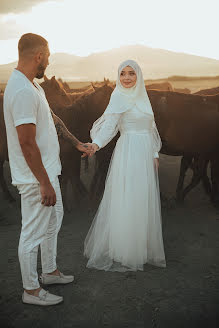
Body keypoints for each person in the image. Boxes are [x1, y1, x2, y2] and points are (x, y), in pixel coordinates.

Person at [3, 33, 93, 306]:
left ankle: (50, 272)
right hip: (35, 178)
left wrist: (76, 143)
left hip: (48, 172)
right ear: (38, 56)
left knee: (53, 220)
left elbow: (52, 119)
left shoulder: (34, 87)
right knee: (31, 232)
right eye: (49, 57)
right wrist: (44, 182)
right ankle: (30, 289)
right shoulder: (20, 90)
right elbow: (26, 143)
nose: (49, 62)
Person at [84, 60, 166, 271]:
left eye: (131, 73)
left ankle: (142, 247)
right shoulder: (118, 97)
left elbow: (151, 127)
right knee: (128, 197)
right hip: (128, 151)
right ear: (118, 77)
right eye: (123, 74)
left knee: (142, 198)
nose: (127, 78)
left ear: (138, 76)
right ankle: (126, 249)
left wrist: (154, 152)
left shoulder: (143, 98)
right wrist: (97, 143)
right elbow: (110, 126)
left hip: (145, 153)